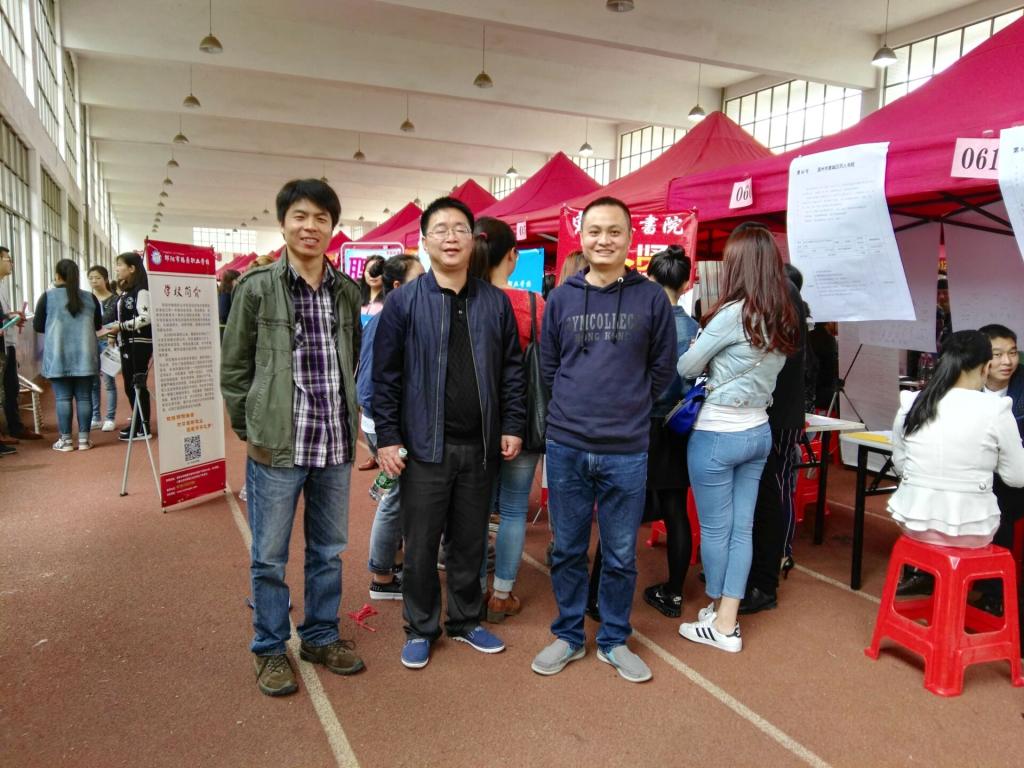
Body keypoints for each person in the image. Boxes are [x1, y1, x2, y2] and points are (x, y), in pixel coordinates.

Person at [221, 178, 365, 697]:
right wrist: (253, 426)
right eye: (300, 216)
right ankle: (269, 647)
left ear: (332, 228)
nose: (311, 227)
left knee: (328, 551)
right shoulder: (256, 287)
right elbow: (235, 368)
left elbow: (351, 358)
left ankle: (320, 636)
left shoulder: (346, 292)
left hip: (334, 443)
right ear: (282, 223)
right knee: (269, 556)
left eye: (321, 218)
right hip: (278, 446)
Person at [372, 197, 526, 670]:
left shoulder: (494, 303)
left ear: (472, 240)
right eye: (440, 229)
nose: (451, 237)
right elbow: (385, 377)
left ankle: (465, 620)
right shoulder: (403, 302)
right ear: (425, 241)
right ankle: (421, 627)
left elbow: (512, 370)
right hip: (424, 448)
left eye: (460, 228)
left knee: (470, 541)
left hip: (479, 447)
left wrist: (512, 424)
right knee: (420, 545)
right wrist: (388, 437)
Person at [532, 196, 676, 683]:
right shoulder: (562, 298)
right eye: (594, 231)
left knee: (619, 554)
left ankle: (614, 638)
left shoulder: (651, 299)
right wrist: (573, 407)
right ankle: (569, 635)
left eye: (614, 231)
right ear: (582, 237)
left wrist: (631, 407)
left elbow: (663, 369)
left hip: (626, 449)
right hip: (567, 445)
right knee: (567, 550)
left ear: (630, 238)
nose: (604, 240)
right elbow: (549, 366)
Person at [677, 222, 799, 654]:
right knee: (741, 528)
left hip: (717, 432)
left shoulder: (733, 313)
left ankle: (723, 620)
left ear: (738, 265)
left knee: (715, 530)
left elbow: (687, 367)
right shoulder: (784, 315)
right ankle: (726, 614)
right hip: (758, 430)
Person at [469, 216, 545, 623]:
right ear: (513, 256)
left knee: (473, 508)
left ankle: (471, 589)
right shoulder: (533, 304)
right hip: (524, 421)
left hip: (474, 422)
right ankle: (501, 594)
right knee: (514, 508)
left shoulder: (465, 299)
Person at [888, 330, 1024, 549]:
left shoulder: (912, 401)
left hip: (910, 522)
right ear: (986, 367)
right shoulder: (997, 409)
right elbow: (1018, 477)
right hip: (972, 531)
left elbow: (902, 465)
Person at [741, 262, 808, 616]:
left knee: (771, 494)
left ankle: (766, 578)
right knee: (762, 496)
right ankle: (756, 570)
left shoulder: (782, 292)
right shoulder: (780, 293)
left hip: (778, 415)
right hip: (773, 412)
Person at [356, 253, 424, 600]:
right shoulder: (390, 320)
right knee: (395, 498)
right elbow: (372, 383)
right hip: (385, 424)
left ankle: (392, 563)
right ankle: (381, 575)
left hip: (382, 421)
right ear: (397, 286)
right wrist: (388, 434)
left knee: (398, 495)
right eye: (420, 278)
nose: (428, 284)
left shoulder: (390, 316)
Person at [641, 244, 699, 619]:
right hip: (679, 425)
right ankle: (675, 593)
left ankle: (602, 600)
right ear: (686, 283)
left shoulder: (644, 322)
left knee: (623, 511)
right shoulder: (694, 328)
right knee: (677, 511)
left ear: (649, 278)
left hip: (642, 425)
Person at [33, 259, 102, 452]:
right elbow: (98, 325)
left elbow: (38, 326)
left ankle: (66, 441)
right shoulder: (90, 297)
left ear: (57, 275)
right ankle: (84, 440)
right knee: (84, 398)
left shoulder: (47, 297)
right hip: (86, 356)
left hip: (58, 356)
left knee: (63, 398)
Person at [0, 245, 43, 443]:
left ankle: (15, 427)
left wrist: (11, 316)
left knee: (12, 387)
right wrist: (8, 317)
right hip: (2, 342)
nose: (12, 263)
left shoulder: (3, 285)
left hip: (7, 342)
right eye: (8, 259)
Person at [113, 253, 153, 441]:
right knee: (129, 385)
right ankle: (138, 421)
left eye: (120, 265)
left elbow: (146, 318)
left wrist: (121, 326)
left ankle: (143, 427)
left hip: (139, 343)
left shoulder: (142, 290)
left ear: (132, 268)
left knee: (137, 384)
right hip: (126, 342)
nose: (117, 269)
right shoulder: (126, 290)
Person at [87, 265, 119, 432]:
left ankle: (110, 417)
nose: (94, 281)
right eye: (91, 278)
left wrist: (112, 335)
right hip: (90, 342)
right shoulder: (87, 299)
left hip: (108, 342)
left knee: (108, 381)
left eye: (98, 277)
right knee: (93, 382)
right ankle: (95, 417)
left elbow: (119, 321)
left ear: (106, 279)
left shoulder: (115, 300)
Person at [359, 255, 386, 319]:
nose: (373, 274)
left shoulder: (389, 300)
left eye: (377, 271)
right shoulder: (357, 296)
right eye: (369, 271)